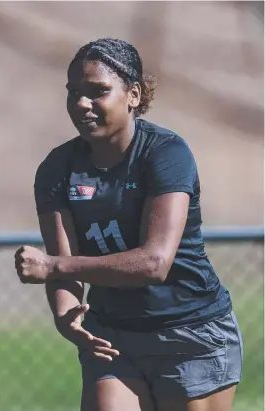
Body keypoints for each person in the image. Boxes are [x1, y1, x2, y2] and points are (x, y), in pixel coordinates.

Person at [13, 38, 243, 411]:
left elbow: (154, 263)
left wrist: (54, 267)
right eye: (73, 92)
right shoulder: (57, 169)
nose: (81, 103)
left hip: (191, 333)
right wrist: (65, 316)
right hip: (113, 334)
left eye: (98, 92)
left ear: (133, 94)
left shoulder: (166, 154)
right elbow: (64, 260)